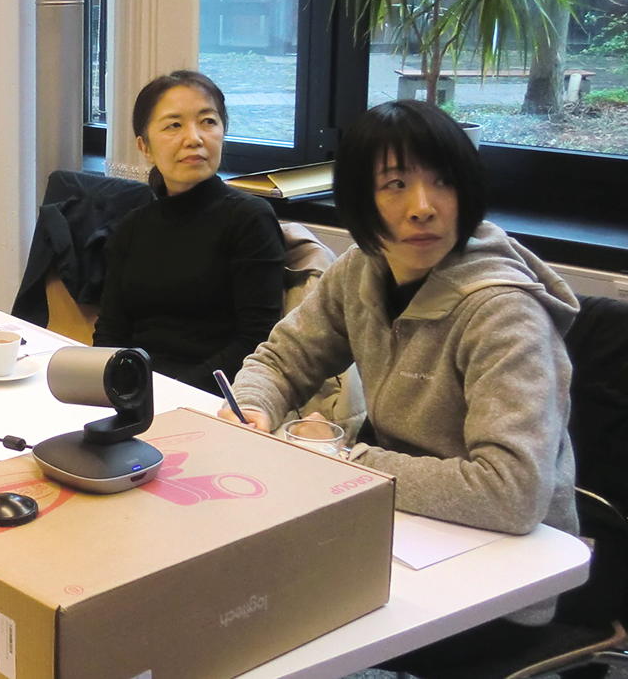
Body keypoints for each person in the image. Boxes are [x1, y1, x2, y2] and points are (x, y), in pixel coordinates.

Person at [223, 100, 579, 630]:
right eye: (395, 184)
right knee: (239, 585)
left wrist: (341, 458)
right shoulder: (362, 270)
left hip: (500, 583)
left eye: (443, 182)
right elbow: (281, 359)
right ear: (358, 200)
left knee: (272, 615)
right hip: (395, 530)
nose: (423, 207)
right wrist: (253, 406)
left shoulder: (504, 313)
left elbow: (512, 494)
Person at [92, 70, 285, 395]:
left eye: (208, 122)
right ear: (145, 147)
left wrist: (171, 392)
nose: (194, 138)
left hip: (215, 397)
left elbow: (256, 341)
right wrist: (120, 390)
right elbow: (110, 334)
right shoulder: (132, 229)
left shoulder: (249, 219)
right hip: (138, 393)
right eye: (174, 125)